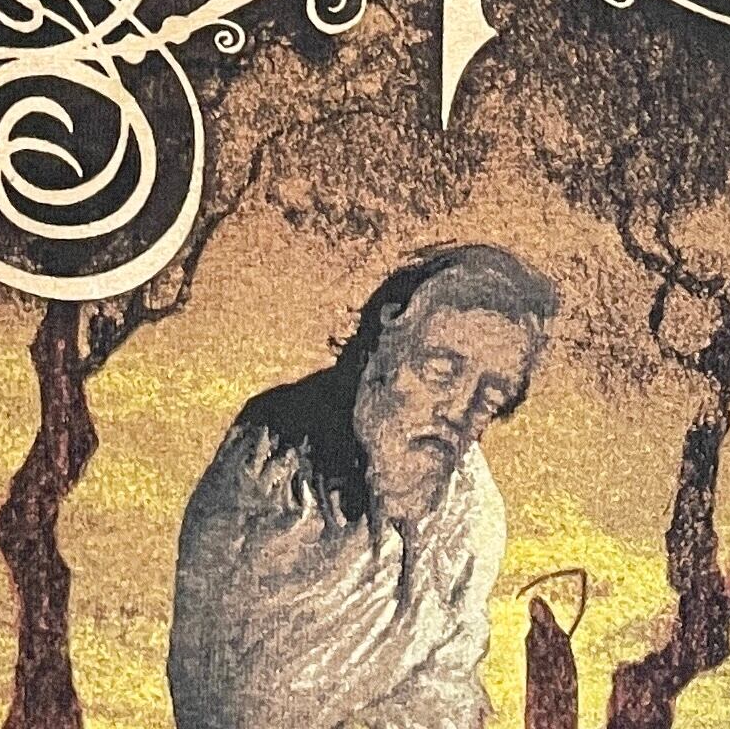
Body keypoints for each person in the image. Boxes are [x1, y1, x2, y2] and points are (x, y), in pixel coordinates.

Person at [167, 246, 561, 729]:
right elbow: (237, 696)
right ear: (382, 344)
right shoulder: (270, 462)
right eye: (440, 373)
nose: (458, 412)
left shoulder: (469, 499)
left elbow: (451, 684)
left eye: (490, 400)